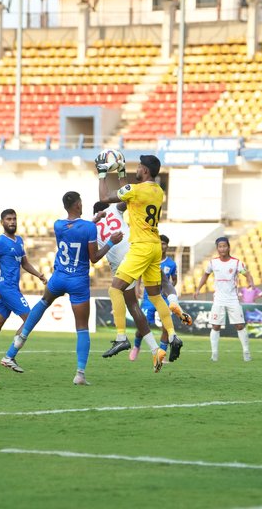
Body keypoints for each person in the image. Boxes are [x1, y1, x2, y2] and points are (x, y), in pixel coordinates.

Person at [1, 191, 122, 385]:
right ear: (77, 205)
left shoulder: (58, 225)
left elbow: (75, 230)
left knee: (42, 303)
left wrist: (95, 220)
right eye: (81, 202)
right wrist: (110, 242)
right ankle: (80, 374)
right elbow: (94, 258)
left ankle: (12, 351)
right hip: (78, 281)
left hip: (58, 277)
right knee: (82, 328)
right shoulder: (89, 228)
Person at [97, 153, 183, 370]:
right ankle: (173, 335)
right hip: (155, 246)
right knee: (155, 295)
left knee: (115, 289)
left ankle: (120, 337)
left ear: (144, 170)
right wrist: (122, 172)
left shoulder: (135, 190)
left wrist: (102, 173)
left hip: (141, 247)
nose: (136, 169)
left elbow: (105, 197)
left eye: (138, 167)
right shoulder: (158, 191)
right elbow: (129, 194)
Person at [93, 200, 164, 364]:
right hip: (135, 252)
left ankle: (121, 337)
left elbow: (94, 256)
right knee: (134, 305)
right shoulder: (113, 209)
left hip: (122, 263)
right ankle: (156, 350)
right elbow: (127, 199)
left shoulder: (91, 227)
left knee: (119, 295)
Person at [0, 208, 48, 374]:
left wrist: (39, 275)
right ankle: (10, 356)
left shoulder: (19, 241)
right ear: (2, 222)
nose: (12, 222)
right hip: (6, 287)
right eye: (8, 219)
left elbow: (24, 264)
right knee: (30, 318)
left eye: (14, 219)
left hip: (12, 288)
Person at [194, 236, 256, 362]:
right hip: (218, 299)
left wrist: (251, 282)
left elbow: (247, 274)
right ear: (217, 248)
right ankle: (214, 354)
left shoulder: (236, 263)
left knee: (240, 325)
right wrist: (198, 288)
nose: (222, 249)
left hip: (233, 299)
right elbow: (205, 275)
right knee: (215, 326)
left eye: (224, 246)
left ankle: (246, 352)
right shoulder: (213, 262)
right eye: (220, 246)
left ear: (228, 247)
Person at [131, 234, 191, 361]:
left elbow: (174, 280)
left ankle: (161, 355)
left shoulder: (171, 264)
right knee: (142, 326)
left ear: (167, 246)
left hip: (163, 298)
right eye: (159, 243)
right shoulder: (149, 259)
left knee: (166, 327)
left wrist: (168, 290)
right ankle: (136, 346)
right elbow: (139, 275)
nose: (161, 246)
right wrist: (137, 288)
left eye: (163, 243)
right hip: (148, 297)